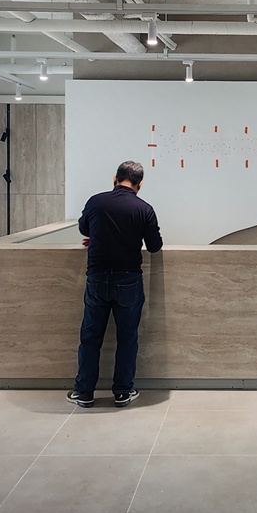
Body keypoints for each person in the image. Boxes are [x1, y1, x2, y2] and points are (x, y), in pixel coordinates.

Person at [70, 160, 163, 408]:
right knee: (127, 337)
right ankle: (122, 392)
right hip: (128, 280)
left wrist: (100, 236)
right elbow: (155, 246)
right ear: (140, 184)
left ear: (115, 178)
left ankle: (84, 392)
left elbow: (84, 228)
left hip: (97, 277)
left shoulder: (95, 202)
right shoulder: (144, 209)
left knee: (90, 337)